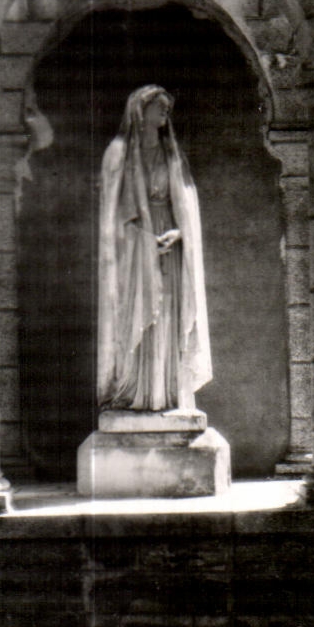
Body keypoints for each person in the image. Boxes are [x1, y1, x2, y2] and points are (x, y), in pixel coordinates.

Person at [96, 85, 212, 413]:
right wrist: (140, 239)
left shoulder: (172, 155)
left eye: (166, 109)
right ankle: (133, 391)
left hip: (168, 245)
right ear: (141, 110)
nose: (165, 113)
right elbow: (112, 214)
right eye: (158, 107)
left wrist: (179, 233)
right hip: (134, 248)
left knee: (167, 315)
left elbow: (186, 206)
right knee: (134, 314)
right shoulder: (119, 154)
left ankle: (167, 394)